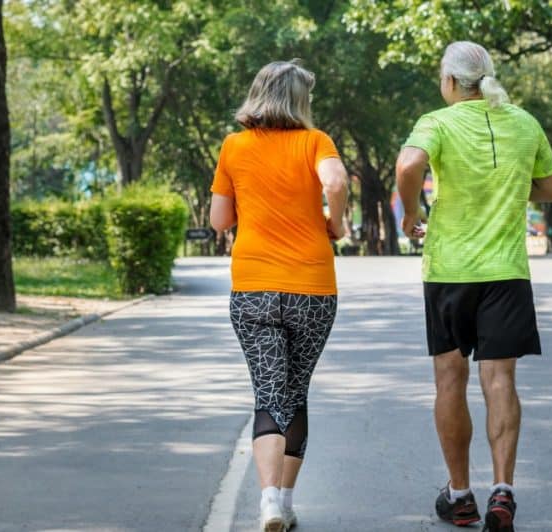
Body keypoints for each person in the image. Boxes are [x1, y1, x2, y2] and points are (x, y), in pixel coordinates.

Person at [395, 41, 552, 531]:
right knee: (500, 381)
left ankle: (461, 494)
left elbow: (408, 166)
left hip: (449, 271)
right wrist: (508, 185)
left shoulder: (437, 122)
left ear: (450, 82)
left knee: (451, 378)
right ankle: (503, 491)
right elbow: (551, 188)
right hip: (506, 272)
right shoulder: (524, 121)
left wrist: (411, 214)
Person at [209, 59, 349, 532]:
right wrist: (336, 223)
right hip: (312, 286)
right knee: (296, 391)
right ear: (299, 101)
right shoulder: (316, 142)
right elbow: (335, 181)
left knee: (269, 394)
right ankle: (285, 502)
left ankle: (269, 502)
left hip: (252, 289)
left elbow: (218, 220)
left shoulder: (234, 146)